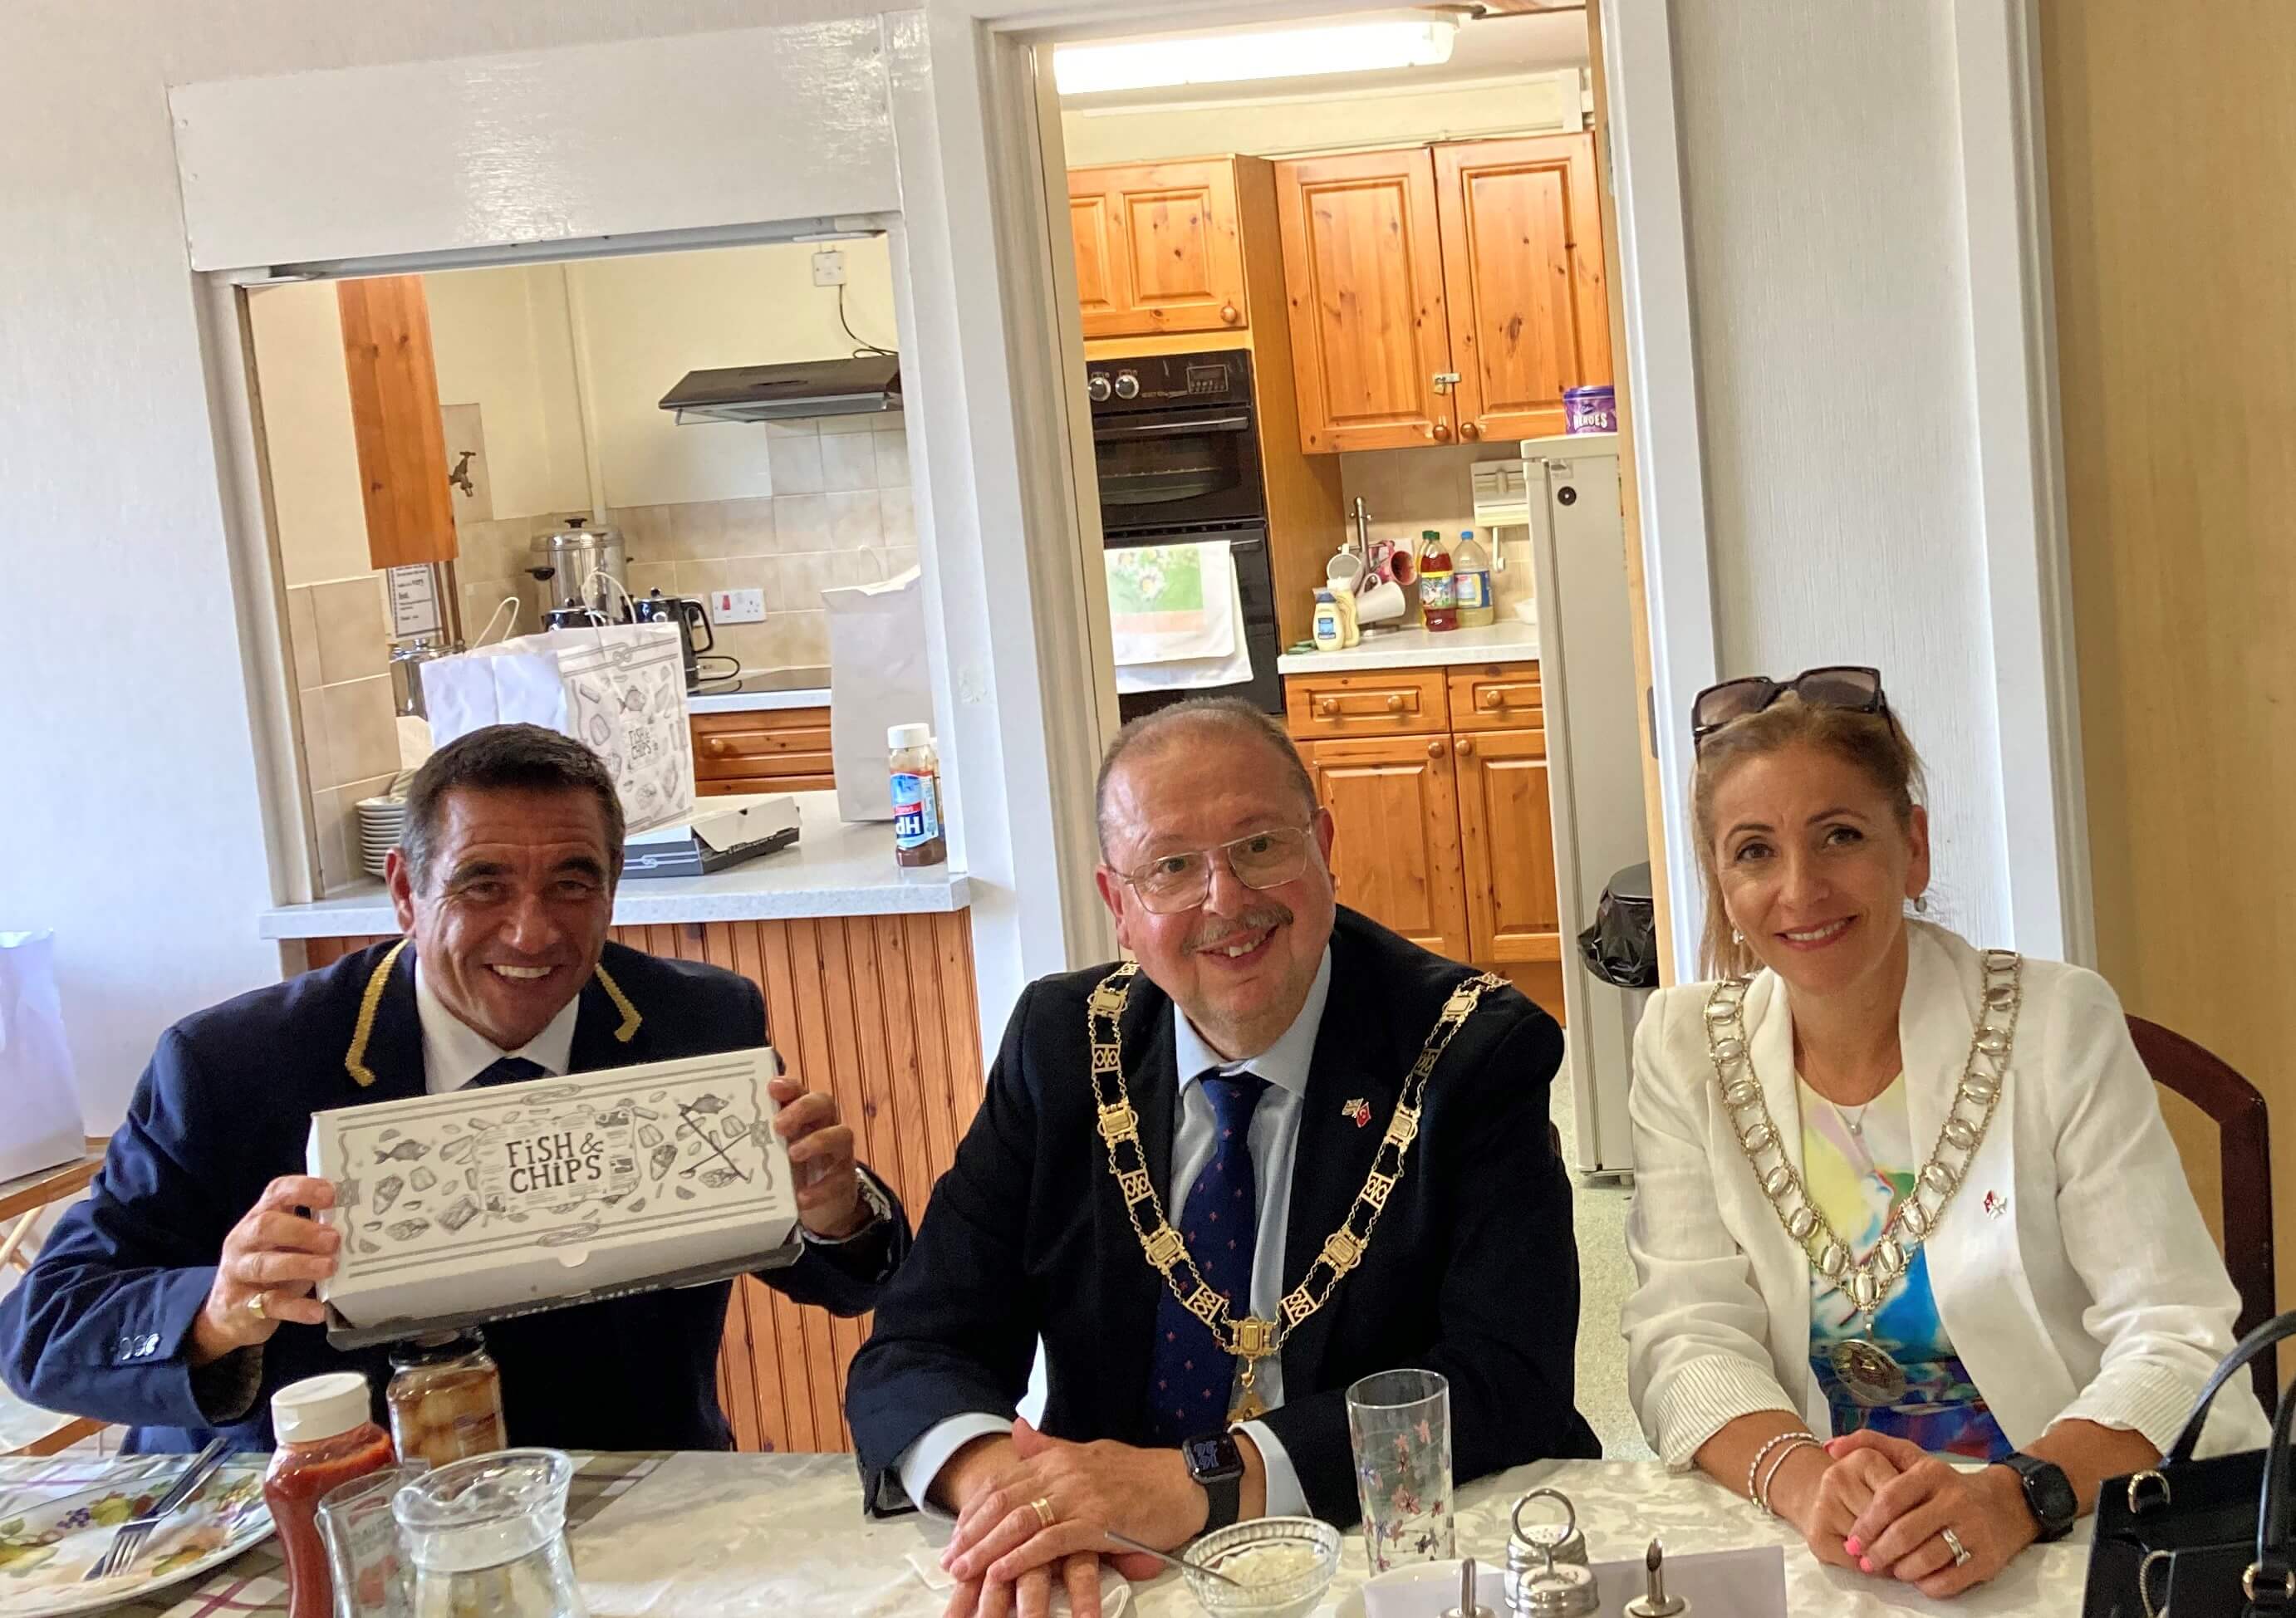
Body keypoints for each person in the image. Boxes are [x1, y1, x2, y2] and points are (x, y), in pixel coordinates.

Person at [846, 696, 1598, 1618]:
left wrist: (1202, 1482)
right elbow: (919, 1344)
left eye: (1259, 846)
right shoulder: (1061, 1045)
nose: (1226, 900)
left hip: (1379, 1559)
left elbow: (1506, 1381)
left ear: (1323, 844)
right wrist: (1012, 1496)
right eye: (1170, 867)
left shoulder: (1470, 1049)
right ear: (1118, 905)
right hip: (1118, 1575)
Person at [0, 724, 910, 1453]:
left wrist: (836, 1209)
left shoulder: (692, 1024)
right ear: (405, 890)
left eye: (572, 883)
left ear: (613, 891)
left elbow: (845, 1275)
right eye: (482, 884)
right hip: (310, 1516)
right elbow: (41, 1329)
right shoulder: (234, 1064)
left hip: (626, 1491)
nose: (531, 931)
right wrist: (214, 1309)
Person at [1621, 666, 2266, 1600]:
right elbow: (1683, 1336)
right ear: (1720, 884)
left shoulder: (2055, 1024)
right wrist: (1807, 1483)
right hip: (1840, 1553)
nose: (1799, 889)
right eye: (1753, 851)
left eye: (1839, 835)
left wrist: (2019, 1493)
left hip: (2071, 1528)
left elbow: (2177, 1338)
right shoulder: (1685, 1047)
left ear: (1912, 847)